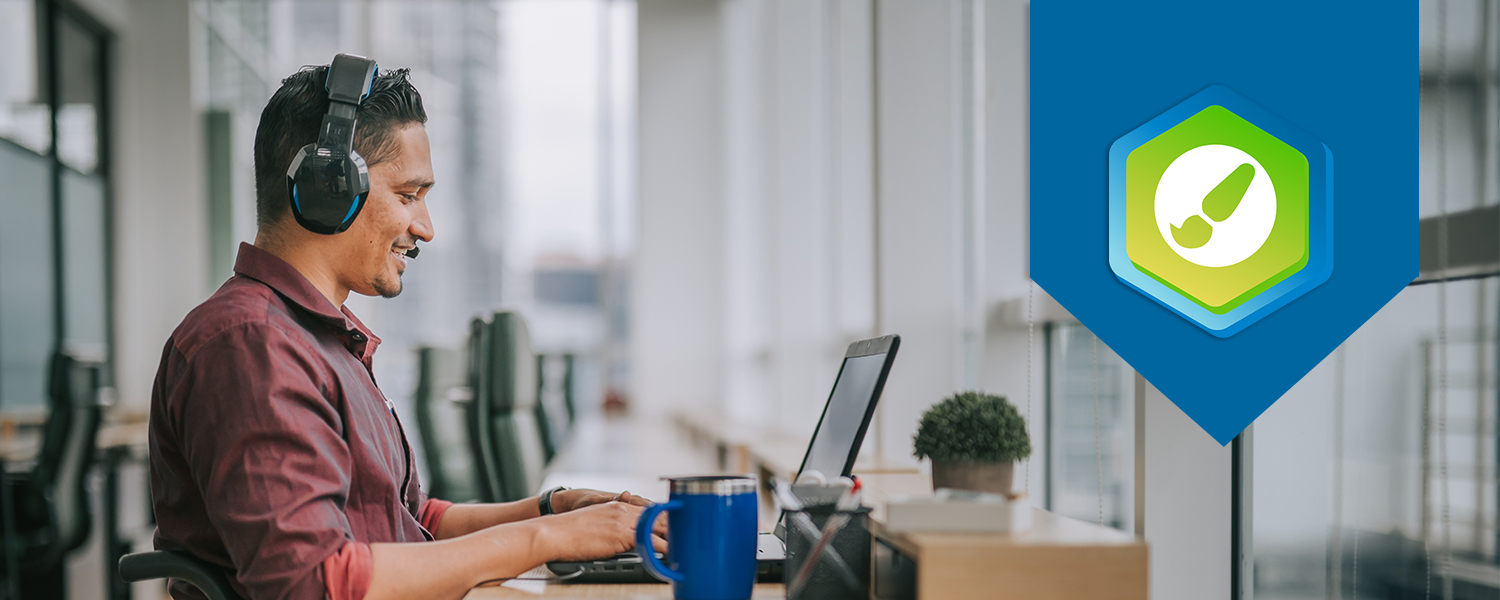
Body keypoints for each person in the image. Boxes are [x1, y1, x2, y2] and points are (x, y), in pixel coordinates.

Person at [148, 63, 661, 600]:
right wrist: (548, 537)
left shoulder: (321, 340)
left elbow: (411, 521)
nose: (426, 227)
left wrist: (557, 508)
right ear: (329, 188)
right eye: (409, 194)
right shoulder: (250, 346)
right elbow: (315, 583)